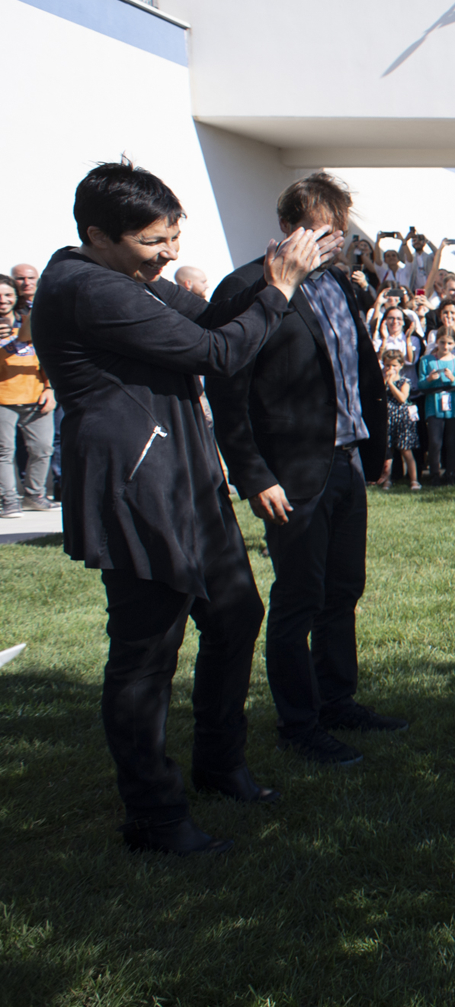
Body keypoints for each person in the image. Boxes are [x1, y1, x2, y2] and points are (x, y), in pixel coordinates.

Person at [33, 161, 322, 854]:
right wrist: (280, 286)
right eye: (152, 242)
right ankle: (155, 815)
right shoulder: (88, 288)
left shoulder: (133, 279)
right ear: (98, 235)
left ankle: (219, 764)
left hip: (186, 480)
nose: (167, 256)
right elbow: (217, 351)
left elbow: (217, 312)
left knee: (236, 614)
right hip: (139, 487)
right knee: (146, 657)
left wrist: (273, 271)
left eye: (173, 239)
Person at [209, 172, 405, 769]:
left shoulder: (339, 285)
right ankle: (299, 723)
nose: (333, 242)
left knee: (342, 589)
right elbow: (228, 393)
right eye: (322, 231)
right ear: (289, 227)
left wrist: (375, 444)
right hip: (290, 472)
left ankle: (336, 699)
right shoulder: (247, 288)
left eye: (338, 231)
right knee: (298, 596)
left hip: (345, 460)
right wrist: (254, 475)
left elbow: (359, 369)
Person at [0, 276, 54, 518]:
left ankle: (34, 496)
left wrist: (50, 388)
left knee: (43, 449)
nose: (3, 300)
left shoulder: (29, 321)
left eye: (8, 295)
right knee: (4, 452)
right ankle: (9, 501)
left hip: (35, 396)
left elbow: (47, 357)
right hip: (3, 399)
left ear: (16, 296)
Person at [417, 332, 455, 483]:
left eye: (450, 343)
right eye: (442, 342)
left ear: (454, 344)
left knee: (451, 441)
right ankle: (434, 473)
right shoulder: (426, 360)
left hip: (453, 405)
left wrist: (452, 379)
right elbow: (421, 385)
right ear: (437, 343)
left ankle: (450, 473)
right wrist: (429, 379)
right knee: (435, 441)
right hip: (433, 404)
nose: (446, 346)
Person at [373, 348, 419, 491]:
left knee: (406, 451)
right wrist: (384, 382)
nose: (390, 368)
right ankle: (387, 480)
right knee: (388, 453)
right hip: (386, 419)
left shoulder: (404, 381)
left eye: (394, 365)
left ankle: (414, 480)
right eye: (387, 365)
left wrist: (391, 384)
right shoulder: (381, 381)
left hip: (402, 420)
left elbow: (402, 398)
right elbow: (377, 397)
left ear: (401, 366)